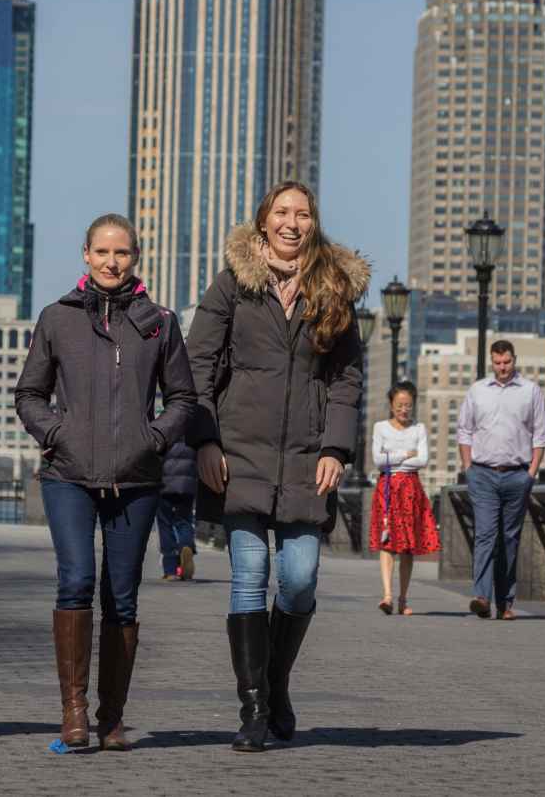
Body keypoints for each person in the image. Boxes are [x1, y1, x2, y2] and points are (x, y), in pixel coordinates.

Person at [185, 181, 368, 752]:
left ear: (314, 223)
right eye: (282, 213)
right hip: (238, 457)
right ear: (263, 221)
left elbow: (346, 379)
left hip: (306, 462)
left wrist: (336, 449)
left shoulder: (334, 290)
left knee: (300, 576)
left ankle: (276, 680)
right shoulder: (232, 286)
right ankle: (255, 712)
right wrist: (204, 443)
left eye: (303, 214)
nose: (292, 223)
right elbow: (197, 367)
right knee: (247, 577)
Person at [15, 213, 196, 752]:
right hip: (67, 475)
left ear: (135, 258)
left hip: (136, 480)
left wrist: (153, 439)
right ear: (86, 255)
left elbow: (183, 399)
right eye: (102, 252)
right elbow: (29, 394)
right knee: (74, 580)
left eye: (122, 253)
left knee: (122, 596)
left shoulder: (158, 321)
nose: (112, 262)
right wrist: (57, 433)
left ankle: (111, 716)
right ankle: (73, 711)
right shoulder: (57, 318)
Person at [456, 339, 545, 621]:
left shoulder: (531, 391)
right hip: (482, 474)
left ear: (514, 359)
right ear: (491, 362)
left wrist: (530, 474)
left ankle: (505, 603)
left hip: (517, 475)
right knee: (484, 534)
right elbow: (464, 431)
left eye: (507, 362)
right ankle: (482, 596)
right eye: (497, 363)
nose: (503, 368)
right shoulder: (477, 391)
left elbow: (540, 435)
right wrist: (469, 467)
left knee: (509, 539)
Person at [369, 381, 440, 615]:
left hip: (411, 489)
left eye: (408, 405)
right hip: (388, 487)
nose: (404, 410)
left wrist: (393, 457)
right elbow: (378, 460)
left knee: (408, 546)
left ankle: (403, 598)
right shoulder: (380, 427)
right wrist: (405, 454)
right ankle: (387, 595)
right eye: (399, 405)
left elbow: (423, 460)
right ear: (391, 405)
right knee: (387, 542)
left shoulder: (419, 429)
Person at [157, 441, 198, 581]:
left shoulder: (165, 428)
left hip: (164, 483)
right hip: (187, 484)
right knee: (184, 521)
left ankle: (170, 569)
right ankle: (186, 546)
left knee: (165, 524)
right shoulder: (192, 428)